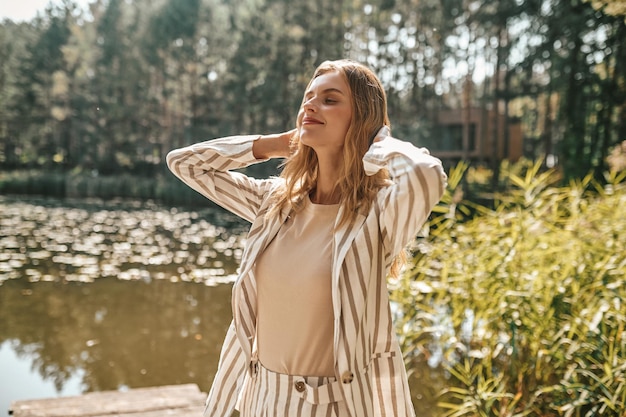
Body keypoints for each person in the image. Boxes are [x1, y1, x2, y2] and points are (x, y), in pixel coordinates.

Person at [166, 59, 447, 417]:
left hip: (329, 406)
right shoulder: (276, 201)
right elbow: (185, 164)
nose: (310, 106)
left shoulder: (378, 213)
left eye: (330, 99)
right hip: (262, 399)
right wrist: (272, 145)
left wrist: (376, 145)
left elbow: (426, 175)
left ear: (360, 119)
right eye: (308, 98)